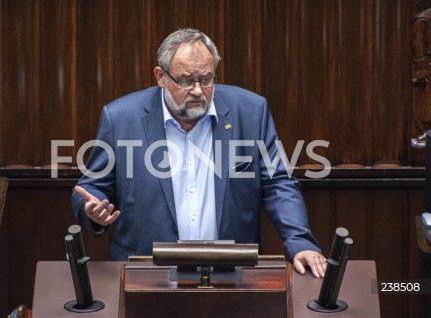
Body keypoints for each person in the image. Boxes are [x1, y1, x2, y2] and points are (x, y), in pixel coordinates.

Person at [71, 28, 326, 277]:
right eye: (185, 80)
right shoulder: (121, 118)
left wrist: (300, 240)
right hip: (146, 276)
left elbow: (277, 183)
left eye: (206, 79)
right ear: (161, 77)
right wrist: (92, 209)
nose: (196, 90)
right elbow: (92, 188)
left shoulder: (250, 112)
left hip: (232, 274)